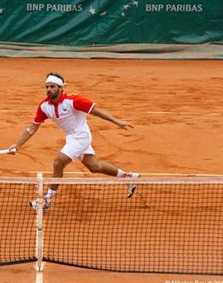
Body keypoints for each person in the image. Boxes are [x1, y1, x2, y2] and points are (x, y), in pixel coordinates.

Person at [9, 72, 140, 209]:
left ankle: (46, 200)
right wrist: (17, 145)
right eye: (47, 87)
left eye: (52, 86)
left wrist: (117, 121)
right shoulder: (44, 106)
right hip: (71, 137)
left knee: (58, 163)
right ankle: (127, 177)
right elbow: (32, 127)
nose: (49, 89)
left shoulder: (73, 100)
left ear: (61, 88)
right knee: (95, 167)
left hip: (81, 136)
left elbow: (95, 111)